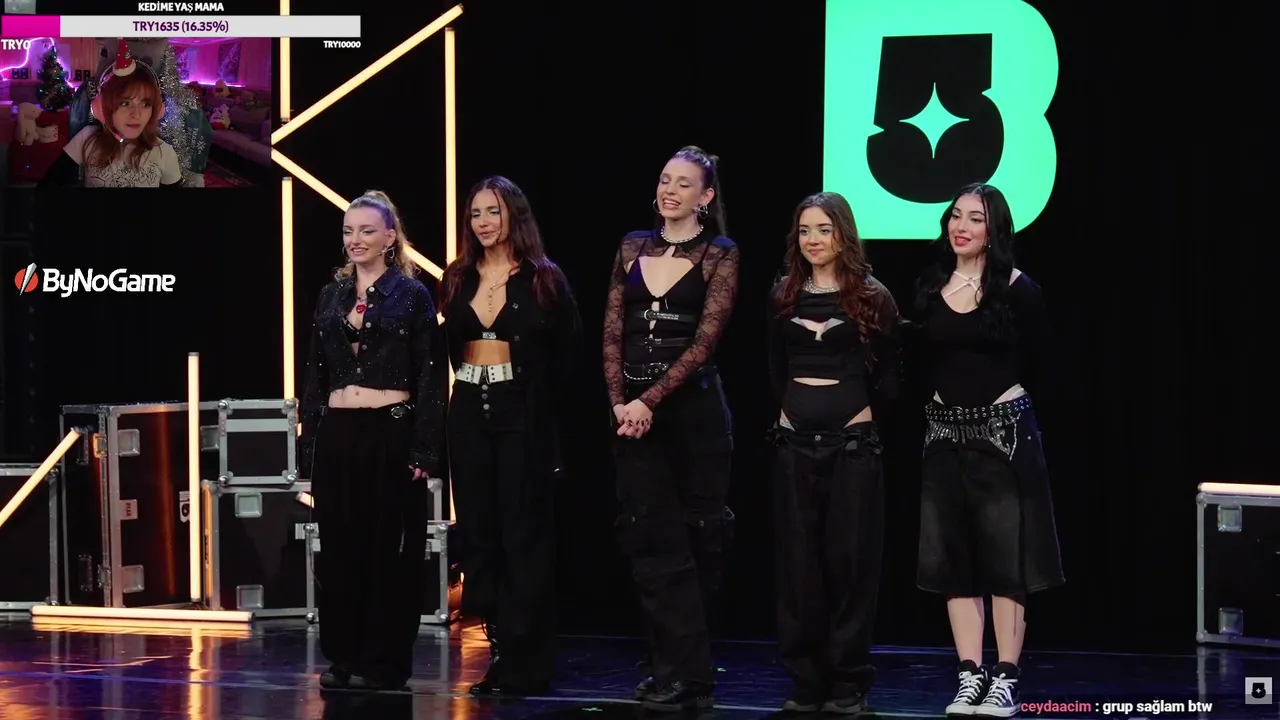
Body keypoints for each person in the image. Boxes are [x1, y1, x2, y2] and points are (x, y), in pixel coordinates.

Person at [912, 183, 1064, 717]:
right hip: (943, 437)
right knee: (953, 560)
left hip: (1003, 438)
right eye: (955, 216)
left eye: (974, 219)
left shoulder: (1018, 289)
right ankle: (969, 674)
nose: (961, 227)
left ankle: (1005, 677)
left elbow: (1045, 363)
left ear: (994, 229)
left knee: (1006, 561)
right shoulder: (931, 286)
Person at [603, 145, 740, 712]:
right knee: (648, 541)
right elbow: (613, 330)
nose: (670, 190)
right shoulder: (632, 246)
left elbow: (704, 342)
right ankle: (666, 666)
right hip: (633, 417)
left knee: (694, 542)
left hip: (692, 416)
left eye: (684, 184)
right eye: (665, 180)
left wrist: (649, 401)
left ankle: (690, 672)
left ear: (705, 197)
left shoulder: (720, 253)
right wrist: (621, 403)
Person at [438, 176, 582, 696]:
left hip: (523, 418)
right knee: (480, 538)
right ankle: (498, 654)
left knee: (524, 536)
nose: (483, 222)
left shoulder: (543, 279)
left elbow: (568, 357)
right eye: (475, 213)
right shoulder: (457, 277)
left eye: (493, 211)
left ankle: (529, 659)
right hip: (469, 418)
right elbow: (450, 351)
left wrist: (535, 406)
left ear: (514, 215)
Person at [298, 190, 445, 692]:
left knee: (388, 551)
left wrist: (425, 448)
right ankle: (344, 657)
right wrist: (309, 444)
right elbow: (314, 374)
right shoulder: (330, 295)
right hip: (339, 433)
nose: (355, 240)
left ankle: (383, 662)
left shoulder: (412, 294)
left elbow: (430, 376)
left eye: (366, 230)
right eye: (348, 231)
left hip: (391, 431)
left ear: (389, 237)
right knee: (340, 550)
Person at [767, 192, 901, 714]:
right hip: (794, 444)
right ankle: (806, 681)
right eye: (805, 230)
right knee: (798, 567)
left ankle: (848, 682)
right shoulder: (782, 293)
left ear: (843, 234)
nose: (813, 240)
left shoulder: (873, 296)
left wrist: (859, 418)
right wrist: (790, 414)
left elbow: (889, 375)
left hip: (851, 446)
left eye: (823, 229)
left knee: (851, 565)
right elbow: (774, 367)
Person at [39, 39, 182, 188]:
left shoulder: (165, 153)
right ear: (103, 107)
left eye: (145, 104)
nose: (136, 114)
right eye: (125, 103)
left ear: (156, 110)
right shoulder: (87, 138)